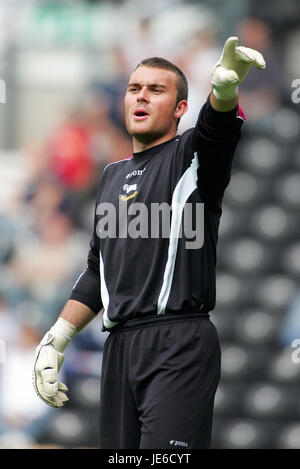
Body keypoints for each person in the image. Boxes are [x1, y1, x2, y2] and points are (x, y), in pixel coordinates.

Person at [33, 37, 265, 449]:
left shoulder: (191, 156)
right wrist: (57, 338)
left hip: (179, 341)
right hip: (120, 346)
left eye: (156, 90)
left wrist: (223, 91)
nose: (141, 96)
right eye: (134, 88)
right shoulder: (109, 175)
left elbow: (218, 129)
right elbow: (96, 269)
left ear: (179, 108)